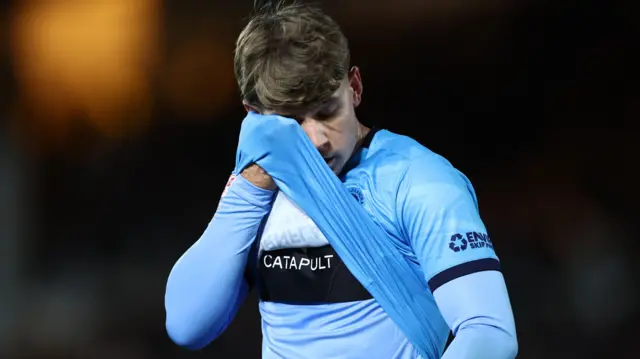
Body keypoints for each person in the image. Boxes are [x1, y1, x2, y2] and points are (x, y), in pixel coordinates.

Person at [164, 2, 518, 358]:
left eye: (327, 109)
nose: (318, 139)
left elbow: (488, 333)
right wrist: (250, 186)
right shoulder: (259, 193)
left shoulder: (418, 179)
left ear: (355, 87)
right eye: (293, 121)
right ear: (255, 117)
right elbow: (187, 325)